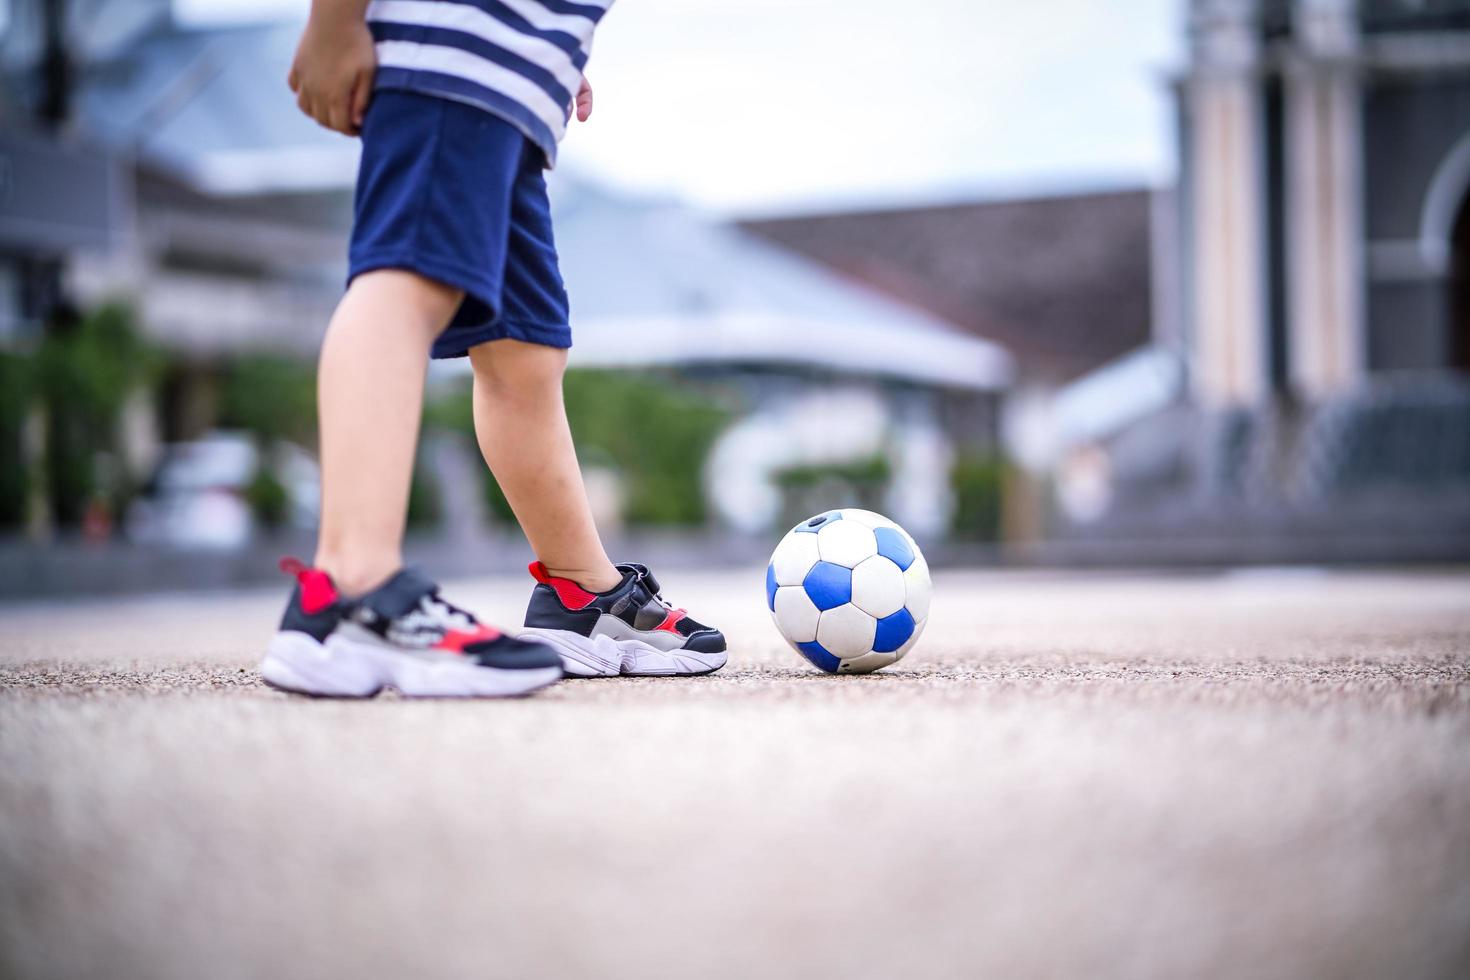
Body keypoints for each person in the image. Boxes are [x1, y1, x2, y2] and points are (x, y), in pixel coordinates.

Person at [260, 0, 727, 698]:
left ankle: (582, 594)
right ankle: (351, 591)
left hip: (515, 70)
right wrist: (335, 18)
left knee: (523, 345)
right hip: (456, 43)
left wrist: (555, 49)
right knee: (408, 280)